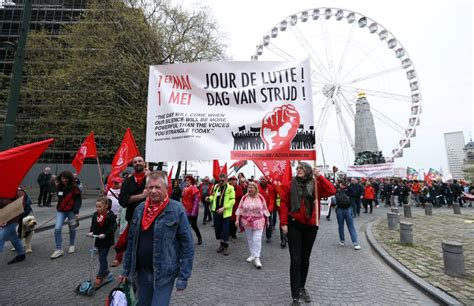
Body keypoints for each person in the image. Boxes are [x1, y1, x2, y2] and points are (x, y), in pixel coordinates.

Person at [119, 171, 194, 306]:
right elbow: (131, 242)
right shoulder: (139, 209)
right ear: (146, 189)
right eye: (150, 187)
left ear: (166, 189)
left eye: (158, 187)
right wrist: (126, 270)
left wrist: (183, 277)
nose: (153, 191)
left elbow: (187, 245)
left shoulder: (177, 209)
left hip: (164, 273)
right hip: (141, 272)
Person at [280, 162, 336, 306]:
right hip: (294, 225)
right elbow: (284, 204)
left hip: (311, 226)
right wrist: (284, 223)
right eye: (297, 168)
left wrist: (320, 176)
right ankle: (295, 296)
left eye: (301, 168)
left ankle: (301, 287)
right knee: (296, 260)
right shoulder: (289, 184)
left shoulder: (316, 184)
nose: (298, 170)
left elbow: (332, 191)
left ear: (308, 170)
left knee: (305, 259)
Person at [113, 156, 149, 267]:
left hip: (150, 218)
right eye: (135, 162)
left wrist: (151, 177)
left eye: (140, 161)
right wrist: (142, 196)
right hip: (133, 218)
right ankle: (126, 265)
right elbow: (123, 200)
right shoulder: (127, 182)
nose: (137, 163)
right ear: (132, 165)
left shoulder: (152, 179)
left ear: (144, 163)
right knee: (127, 241)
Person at [235, 181, 270, 269]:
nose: (249, 189)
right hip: (247, 222)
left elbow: (265, 209)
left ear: (255, 189)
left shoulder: (260, 197)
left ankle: (257, 258)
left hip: (259, 221)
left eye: (251, 188)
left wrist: (268, 220)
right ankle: (252, 254)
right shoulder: (244, 198)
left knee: (257, 239)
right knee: (250, 239)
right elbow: (240, 209)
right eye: (248, 188)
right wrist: (237, 220)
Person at [51, 171, 82, 259]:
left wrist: (76, 212)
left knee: (72, 228)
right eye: (62, 178)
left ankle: (72, 245)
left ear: (69, 178)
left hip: (72, 211)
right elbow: (60, 198)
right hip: (61, 211)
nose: (64, 180)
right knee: (57, 228)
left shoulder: (75, 187)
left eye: (66, 178)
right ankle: (58, 249)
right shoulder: (59, 187)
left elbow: (78, 200)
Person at [88, 196, 117, 287]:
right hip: (98, 240)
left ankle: (100, 275)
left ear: (106, 206)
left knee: (102, 257)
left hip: (106, 241)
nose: (97, 208)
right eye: (96, 206)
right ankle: (106, 271)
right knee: (101, 257)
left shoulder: (111, 216)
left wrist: (105, 234)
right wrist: (91, 232)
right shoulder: (95, 215)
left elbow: (112, 228)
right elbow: (93, 225)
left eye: (99, 207)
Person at [207, 173, 235, 256]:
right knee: (218, 229)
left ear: (226, 180)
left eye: (223, 180)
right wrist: (209, 198)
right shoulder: (216, 187)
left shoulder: (230, 188)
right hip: (216, 211)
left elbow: (233, 200)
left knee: (225, 230)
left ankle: (226, 246)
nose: (221, 182)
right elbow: (213, 196)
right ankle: (221, 244)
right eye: (220, 180)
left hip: (225, 212)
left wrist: (224, 208)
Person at [0, 188, 27, 264]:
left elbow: (21, 204)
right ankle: (21, 254)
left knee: (0, 238)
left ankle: (21, 254)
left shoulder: (18, 191)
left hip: (13, 219)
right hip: (3, 219)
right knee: (13, 237)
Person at [335, 182, 361, 250]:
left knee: (341, 226)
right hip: (348, 209)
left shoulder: (336, 190)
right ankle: (355, 242)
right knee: (351, 226)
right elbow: (354, 197)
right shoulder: (349, 189)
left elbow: (334, 201)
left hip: (340, 209)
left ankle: (342, 240)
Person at [181, 175, 202, 245]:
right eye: (186, 180)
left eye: (188, 180)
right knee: (185, 226)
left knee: (194, 225)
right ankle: (187, 240)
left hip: (192, 211)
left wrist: (193, 212)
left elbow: (196, 202)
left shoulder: (195, 189)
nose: (187, 181)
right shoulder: (184, 189)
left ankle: (199, 237)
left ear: (191, 181)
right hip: (186, 210)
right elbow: (183, 200)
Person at [258, 176, 276, 243]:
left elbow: (272, 199)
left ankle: (268, 236)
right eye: (261, 179)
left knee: (269, 223)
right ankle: (258, 235)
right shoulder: (257, 187)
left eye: (264, 179)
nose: (262, 180)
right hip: (259, 209)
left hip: (268, 209)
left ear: (266, 180)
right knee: (258, 223)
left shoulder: (270, 188)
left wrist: (269, 209)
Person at [228, 176, 243, 241]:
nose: (233, 181)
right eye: (232, 180)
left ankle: (233, 234)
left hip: (236, 208)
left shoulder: (239, 188)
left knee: (234, 221)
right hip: (228, 207)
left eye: (234, 180)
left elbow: (241, 198)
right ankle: (229, 234)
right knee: (228, 221)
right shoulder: (227, 188)